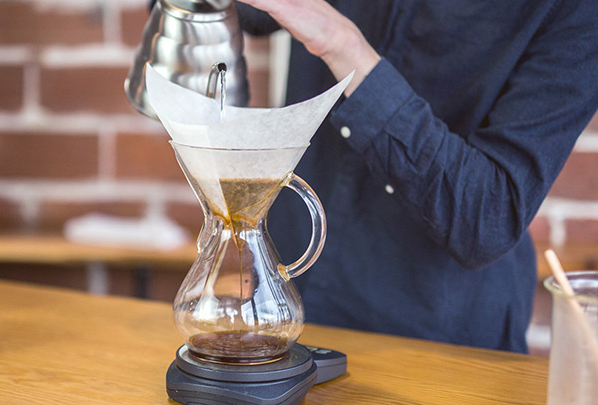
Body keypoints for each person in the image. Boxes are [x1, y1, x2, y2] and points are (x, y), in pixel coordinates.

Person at [234, 0, 598, 353]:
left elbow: (487, 217)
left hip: (435, 336)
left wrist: (345, 47)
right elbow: (254, 15)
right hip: (283, 294)